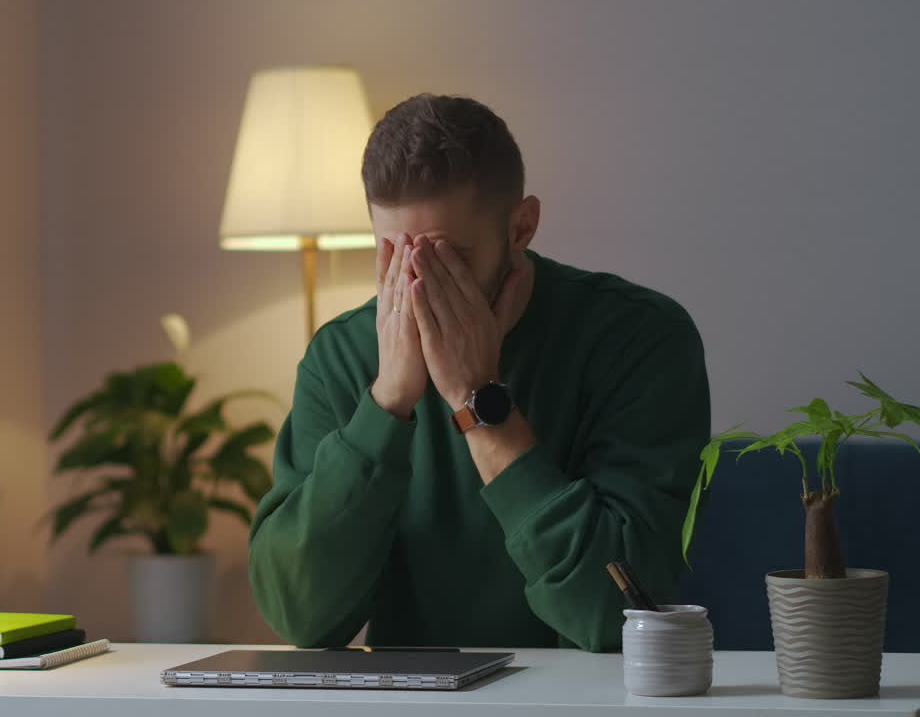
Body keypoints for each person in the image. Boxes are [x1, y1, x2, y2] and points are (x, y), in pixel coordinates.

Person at [247, 94, 710, 652]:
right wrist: (388, 400)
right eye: (394, 257)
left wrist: (480, 401)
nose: (418, 285)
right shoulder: (342, 355)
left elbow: (612, 614)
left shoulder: (639, 338)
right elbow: (299, 617)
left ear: (522, 227)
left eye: (448, 260)